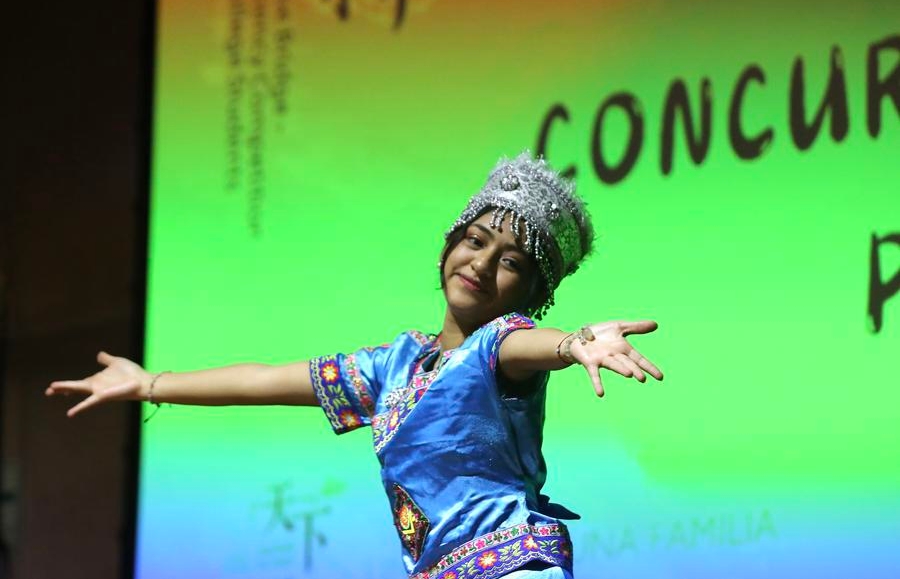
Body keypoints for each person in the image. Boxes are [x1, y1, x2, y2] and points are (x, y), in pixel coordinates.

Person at [47, 153, 663, 579]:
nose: (481, 263)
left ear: (529, 295)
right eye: (475, 241)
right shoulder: (393, 365)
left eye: (511, 262)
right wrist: (150, 383)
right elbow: (264, 380)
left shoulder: (501, 342)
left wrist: (576, 342)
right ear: (449, 245)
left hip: (511, 564)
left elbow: (532, 347)